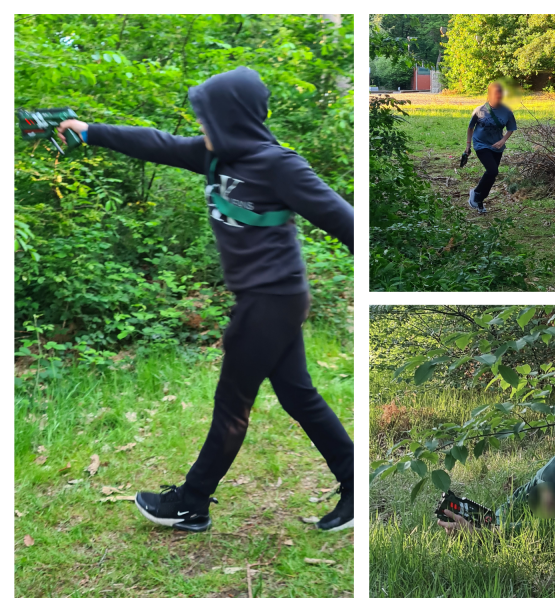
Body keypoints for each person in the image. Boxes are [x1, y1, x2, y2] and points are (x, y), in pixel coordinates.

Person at [58, 67, 354, 533]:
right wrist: (90, 132)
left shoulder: (278, 164)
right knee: (299, 395)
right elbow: (155, 143)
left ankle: (191, 502)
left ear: (233, 119)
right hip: (265, 299)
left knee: (232, 403)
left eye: (208, 119)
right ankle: (357, 483)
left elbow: (346, 221)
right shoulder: (214, 156)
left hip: (271, 300)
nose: (200, 128)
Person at [465, 82, 517, 214]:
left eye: (500, 95)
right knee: (492, 171)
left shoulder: (507, 112)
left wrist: (503, 140)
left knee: (492, 175)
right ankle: (476, 192)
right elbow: (470, 128)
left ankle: (480, 202)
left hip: (497, 146)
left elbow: (511, 128)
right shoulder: (479, 110)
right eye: (496, 94)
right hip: (481, 144)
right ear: (489, 95)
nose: (498, 97)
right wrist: (468, 146)